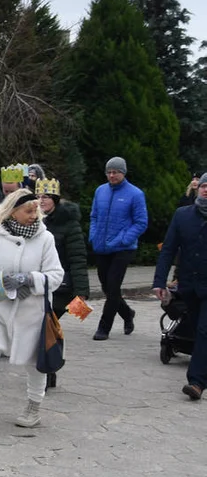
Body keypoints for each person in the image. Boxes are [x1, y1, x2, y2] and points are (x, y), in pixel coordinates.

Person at [0, 188, 64, 431]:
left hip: (32, 314)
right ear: (12, 211)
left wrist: (30, 280)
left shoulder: (45, 238)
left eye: (36, 210)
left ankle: (33, 407)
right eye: (28, 210)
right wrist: (2, 282)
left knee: (34, 362)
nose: (34, 215)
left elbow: (56, 275)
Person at [153, 173, 207, 400]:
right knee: (196, 328)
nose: (206, 190)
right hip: (189, 285)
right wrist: (159, 281)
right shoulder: (182, 215)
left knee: (205, 331)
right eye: (204, 186)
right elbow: (168, 250)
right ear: (197, 189)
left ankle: (196, 382)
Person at [38, 177, 90, 390]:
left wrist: (82, 291)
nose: (41, 201)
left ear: (56, 200)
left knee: (50, 328)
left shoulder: (69, 224)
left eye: (46, 197)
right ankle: (42, 367)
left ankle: (50, 368)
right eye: (39, 196)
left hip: (62, 286)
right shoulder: (33, 221)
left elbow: (78, 257)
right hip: (38, 284)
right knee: (38, 328)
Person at [88, 156, 148, 340]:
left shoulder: (135, 194)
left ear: (123, 173)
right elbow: (94, 216)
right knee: (107, 287)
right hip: (102, 246)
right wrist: (93, 235)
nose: (112, 175)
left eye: (116, 172)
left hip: (123, 248)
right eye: (109, 172)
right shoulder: (100, 191)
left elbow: (141, 222)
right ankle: (127, 313)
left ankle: (104, 328)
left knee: (113, 286)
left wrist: (124, 239)